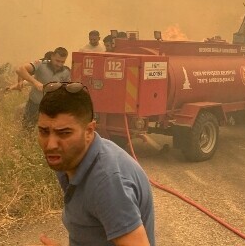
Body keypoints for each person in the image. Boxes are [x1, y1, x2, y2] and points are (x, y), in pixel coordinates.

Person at [36, 82, 155, 246]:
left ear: (89, 131)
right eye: (44, 131)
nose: (50, 145)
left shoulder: (106, 183)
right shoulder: (69, 159)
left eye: (64, 133)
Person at [16, 47, 71, 129]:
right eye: (57, 61)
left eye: (62, 62)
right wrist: (36, 83)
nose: (59, 64)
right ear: (52, 56)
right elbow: (20, 69)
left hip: (52, 108)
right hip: (34, 104)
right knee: (27, 130)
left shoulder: (66, 72)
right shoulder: (41, 64)